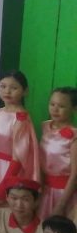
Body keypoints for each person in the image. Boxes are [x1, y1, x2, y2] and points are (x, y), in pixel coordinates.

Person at [0, 71, 40, 216]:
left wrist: (5, 184)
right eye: (3, 86)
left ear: (25, 91)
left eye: (14, 88)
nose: (7, 91)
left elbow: (19, 157)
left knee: (2, 209)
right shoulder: (1, 111)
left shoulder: (21, 118)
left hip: (9, 169)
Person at [40, 87, 76, 219]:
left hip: (65, 193)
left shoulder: (74, 136)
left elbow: (75, 175)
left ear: (74, 108)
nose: (55, 109)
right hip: (45, 189)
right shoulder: (46, 127)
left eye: (61, 106)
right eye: (52, 104)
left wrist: (61, 205)